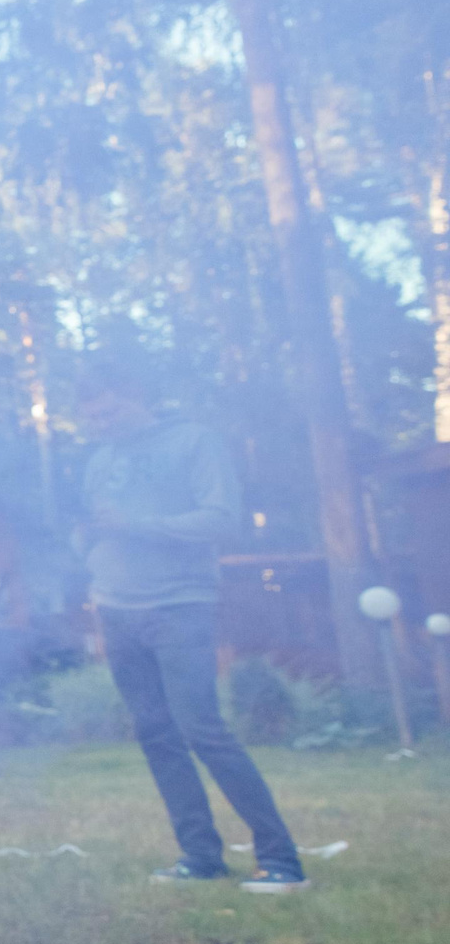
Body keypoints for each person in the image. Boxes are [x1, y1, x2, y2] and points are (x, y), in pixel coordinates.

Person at [77, 360, 307, 894]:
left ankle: (282, 861)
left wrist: (136, 526)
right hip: (116, 611)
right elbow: (101, 530)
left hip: (179, 607)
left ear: (135, 393)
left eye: (108, 411)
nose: (101, 423)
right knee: (156, 736)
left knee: (202, 728)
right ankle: (199, 856)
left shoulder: (193, 441)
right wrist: (86, 545)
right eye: (92, 418)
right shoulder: (99, 460)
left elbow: (222, 519)